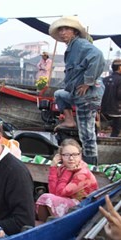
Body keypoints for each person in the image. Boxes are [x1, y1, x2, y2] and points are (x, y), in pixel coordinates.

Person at [49, 16, 105, 165]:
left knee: (86, 134)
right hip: (77, 95)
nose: (62, 32)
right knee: (59, 94)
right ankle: (69, 121)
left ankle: (91, 165)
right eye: (60, 29)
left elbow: (97, 56)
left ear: (74, 31)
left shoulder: (80, 44)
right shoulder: (72, 48)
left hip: (87, 96)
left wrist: (88, 82)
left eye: (66, 29)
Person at [36, 139, 98, 223]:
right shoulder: (63, 168)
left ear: (80, 156)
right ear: (60, 157)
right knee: (45, 198)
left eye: (75, 155)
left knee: (46, 198)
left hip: (83, 207)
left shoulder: (83, 173)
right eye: (66, 155)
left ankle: (51, 226)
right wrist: (53, 167)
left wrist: (68, 171)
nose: (71, 158)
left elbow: (59, 193)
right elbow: (53, 192)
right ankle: (45, 225)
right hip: (71, 205)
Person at [101, 59, 121, 137]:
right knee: (116, 132)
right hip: (117, 111)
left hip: (104, 110)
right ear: (120, 68)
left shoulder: (105, 79)